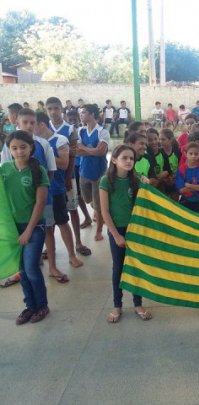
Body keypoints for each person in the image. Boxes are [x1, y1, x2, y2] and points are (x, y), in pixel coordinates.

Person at [99, 144, 152, 323]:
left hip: (134, 230)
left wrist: (146, 184)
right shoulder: (106, 181)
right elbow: (104, 211)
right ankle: (117, 305)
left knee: (136, 266)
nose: (129, 161)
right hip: (117, 230)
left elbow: (146, 201)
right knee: (118, 268)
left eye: (131, 158)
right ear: (114, 160)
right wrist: (116, 235)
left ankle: (138, 304)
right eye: (124, 158)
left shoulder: (136, 180)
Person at [1, 130, 50, 324]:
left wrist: (28, 230)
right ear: (9, 150)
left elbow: (40, 203)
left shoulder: (39, 171)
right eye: (14, 148)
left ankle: (42, 306)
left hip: (34, 226)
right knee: (21, 270)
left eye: (23, 147)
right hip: (12, 228)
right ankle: (30, 306)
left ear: (31, 148)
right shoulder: (5, 169)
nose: (19, 151)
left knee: (30, 268)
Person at [36, 112, 83, 282]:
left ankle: (72, 255)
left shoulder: (59, 140)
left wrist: (45, 153)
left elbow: (64, 164)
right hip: (40, 192)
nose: (29, 128)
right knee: (47, 227)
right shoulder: (31, 143)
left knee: (63, 222)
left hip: (56, 190)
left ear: (41, 124)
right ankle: (52, 264)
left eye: (32, 124)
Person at [46, 97, 91, 258]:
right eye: (50, 109)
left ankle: (78, 242)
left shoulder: (70, 129)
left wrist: (67, 178)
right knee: (49, 213)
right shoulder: (44, 127)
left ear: (61, 109)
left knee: (72, 209)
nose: (53, 112)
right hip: (49, 180)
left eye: (56, 108)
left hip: (67, 177)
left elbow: (72, 156)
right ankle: (50, 248)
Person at [77, 104, 110, 241]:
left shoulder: (102, 132)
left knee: (98, 205)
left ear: (92, 114)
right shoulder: (81, 131)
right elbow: (77, 150)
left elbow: (101, 151)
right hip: (84, 171)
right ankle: (97, 210)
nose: (81, 115)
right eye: (81, 112)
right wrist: (92, 150)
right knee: (87, 199)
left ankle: (99, 231)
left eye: (84, 112)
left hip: (99, 173)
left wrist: (84, 148)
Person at [176, 142, 199, 214]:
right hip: (185, 201)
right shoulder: (181, 169)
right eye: (190, 153)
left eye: (196, 154)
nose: (193, 156)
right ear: (185, 154)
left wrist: (188, 185)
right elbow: (181, 190)